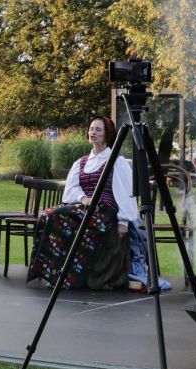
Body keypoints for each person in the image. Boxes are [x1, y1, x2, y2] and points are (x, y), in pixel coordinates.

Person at [26, 116, 138, 290]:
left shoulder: (117, 161)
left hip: (104, 212)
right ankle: (53, 273)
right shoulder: (82, 162)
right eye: (91, 129)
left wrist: (124, 222)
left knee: (58, 216)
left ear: (107, 134)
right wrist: (83, 198)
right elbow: (70, 191)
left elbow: (126, 193)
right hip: (84, 207)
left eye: (98, 129)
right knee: (48, 215)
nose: (93, 132)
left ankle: (67, 277)